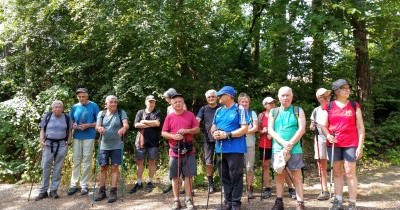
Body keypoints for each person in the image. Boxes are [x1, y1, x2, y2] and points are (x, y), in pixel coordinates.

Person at [321, 79, 365, 210]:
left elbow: (361, 127)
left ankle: (352, 203)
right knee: (337, 173)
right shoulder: (329, 106)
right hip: (334, 144)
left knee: (350, 173)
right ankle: (338, 201)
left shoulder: (354, 105)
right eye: (344, 88)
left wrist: (360, 146)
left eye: (348, 87)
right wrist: (328, 135)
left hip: (351, 143)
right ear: (336, 91)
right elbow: (323, 125)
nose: (347, 90)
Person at [211, 86, 249, 210]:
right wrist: (214, 133)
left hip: (235, 149)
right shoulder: (218, 110)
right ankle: (227, 202)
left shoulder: (240, 109)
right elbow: (213, 127)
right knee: (224, 176)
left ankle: (235, 203)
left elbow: (244, 129)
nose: (218, 97)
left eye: (221, 95)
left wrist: (228, 134)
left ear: (229, 96)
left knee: (236, 176)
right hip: (220, 149)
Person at [269, 86, 306, 210]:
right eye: (283, 95)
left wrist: (290, 143)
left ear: (292, 96)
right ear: (278, 97)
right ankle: (279, 202)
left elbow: (302, 129)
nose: (285, 98)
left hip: (295, 149)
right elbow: (271, 130)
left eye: (288, 95)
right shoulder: (273, 112)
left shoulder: (298, 110)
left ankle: (300, 203)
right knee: (279, 175)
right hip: (278, 149)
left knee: (297, 176)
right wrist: (283, 143)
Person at [162, 93, 200, 210]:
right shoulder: (169, 117)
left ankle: (188, 199)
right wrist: (173, 137)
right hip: (174, 152)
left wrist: (187, 131)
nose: (178, 103)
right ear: (172, 105)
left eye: (180, 101)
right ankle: (176, 200)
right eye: (175, 102)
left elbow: (197, 129)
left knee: (188, 176)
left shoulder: (190, 115)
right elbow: (163, 133)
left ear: (183, 103)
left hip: (189, 151)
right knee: (175, 177)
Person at [94, 95, 129, 203]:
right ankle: (102, 190)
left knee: (115, 167)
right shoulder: (101, 113)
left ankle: (113, 191)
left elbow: (126, 125)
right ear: (106, 104)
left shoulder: (121, 112)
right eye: (111, 102)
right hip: (104, 145)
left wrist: (123, 128)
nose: (113, 104)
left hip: (117, 145)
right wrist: (99, 128)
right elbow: (97, 126)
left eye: (115, 102)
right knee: (102, 167)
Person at [36, 100, 72, 200]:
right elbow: (42, 129)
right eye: (55, 107)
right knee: (45, 167)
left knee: (58, 168)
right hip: (48, 145)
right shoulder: (47, 116)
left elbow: (69, 131)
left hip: (61, 145)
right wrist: (41, 140)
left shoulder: (67, 117)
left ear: (62, 108)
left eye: (60, 107)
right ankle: (43, 191)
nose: (57, 108)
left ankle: (53, 190)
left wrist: (68, 142)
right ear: (52, 108)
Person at [68, 88, 100, 196]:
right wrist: (74, 126)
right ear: (77, 97)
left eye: (83, 96)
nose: (81, 98)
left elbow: (99, 122)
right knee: (76, 160)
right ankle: (73, 184)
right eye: (79, 96)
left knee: (86, 160)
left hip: (89, 136)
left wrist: (88, 125)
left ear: (87, 96)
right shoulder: (75, 107)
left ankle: (84, 185)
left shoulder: (93, 106)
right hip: (77, 136)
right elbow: (70, 120)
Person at [129, 95, 161, 193]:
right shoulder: (140, 112)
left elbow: (157, 124)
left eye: (153, 102)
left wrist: (143, 121)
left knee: (152, 161)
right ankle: (138, 182)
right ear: (145, 102)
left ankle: (150, 182)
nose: (151, 103)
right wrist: (151, 123)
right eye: (149, 101)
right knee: (139, 162)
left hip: (153, 141)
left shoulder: (157, 112)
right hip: (141, 141)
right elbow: (136, 124)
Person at [196, 89, 221, 193]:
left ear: (216, 97)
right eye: (209, 97)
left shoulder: (221, 108)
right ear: (206, 99)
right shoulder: (203, 109)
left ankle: (224, 183)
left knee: (221, 161)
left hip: (220, 138)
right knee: (208, 162)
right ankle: (210, 183)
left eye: (213, 96)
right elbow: (197, 120)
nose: (211, 98)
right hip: (207, 139)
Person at [309, 88, 331, 200]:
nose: (327, 97)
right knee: (321, 165)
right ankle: (324, 189)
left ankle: (337, 190)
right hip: (320, 139)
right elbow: (311, 125)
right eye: (323, 96)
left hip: (334, 139)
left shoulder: (334, 108)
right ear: (319, 99)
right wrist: (312, 127)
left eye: (328, 95)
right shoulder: (316, 111)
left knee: (337, 164)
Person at [237, 93, 258, 199]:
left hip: (249, 144)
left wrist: (243, 131)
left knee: (249, 168)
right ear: (238, 103)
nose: (244, 103)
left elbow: (255, 128)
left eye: (246, 102)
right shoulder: (235, 113)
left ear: (249, 103)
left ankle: (249, 188)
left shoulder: (252, 113)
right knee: (238, 168)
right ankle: (238, 189)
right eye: (242, 101)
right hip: (237, 145)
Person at [258, 96, 275, 199]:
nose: (272, 104)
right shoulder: (261, 115)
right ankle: (267, 188)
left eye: (273, 103)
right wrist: (262, 131)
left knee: (283, 166)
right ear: (265, 105)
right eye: (270, 103)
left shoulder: (278, 113)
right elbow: (258, 130)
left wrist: (273, 134)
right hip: (264, 143)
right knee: (265, 166)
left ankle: (291, 188)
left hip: (277, 143)